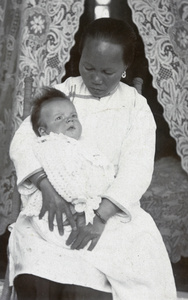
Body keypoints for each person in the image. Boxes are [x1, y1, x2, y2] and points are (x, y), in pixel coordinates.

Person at [8, 18, 176, 300]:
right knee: (37, 273)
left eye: (107, 71)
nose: (95, 79)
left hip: (109, 214)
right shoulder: (63, 93)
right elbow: (23, 141)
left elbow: (137, 170)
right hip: (54, 205)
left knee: (91, 286)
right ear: (80, 59)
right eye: (88, 67)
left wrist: (99, 218)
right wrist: (47, 187)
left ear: (124, 68)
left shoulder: (135, 106)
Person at [20, 86, 115, 247]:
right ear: (44, 131)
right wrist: (79, 207)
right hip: (63, 209)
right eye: (59, 118)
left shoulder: (83, 146)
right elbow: (62, 178)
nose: (70, 120)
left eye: (73, 116)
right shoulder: (51, 144)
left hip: (90, 205)